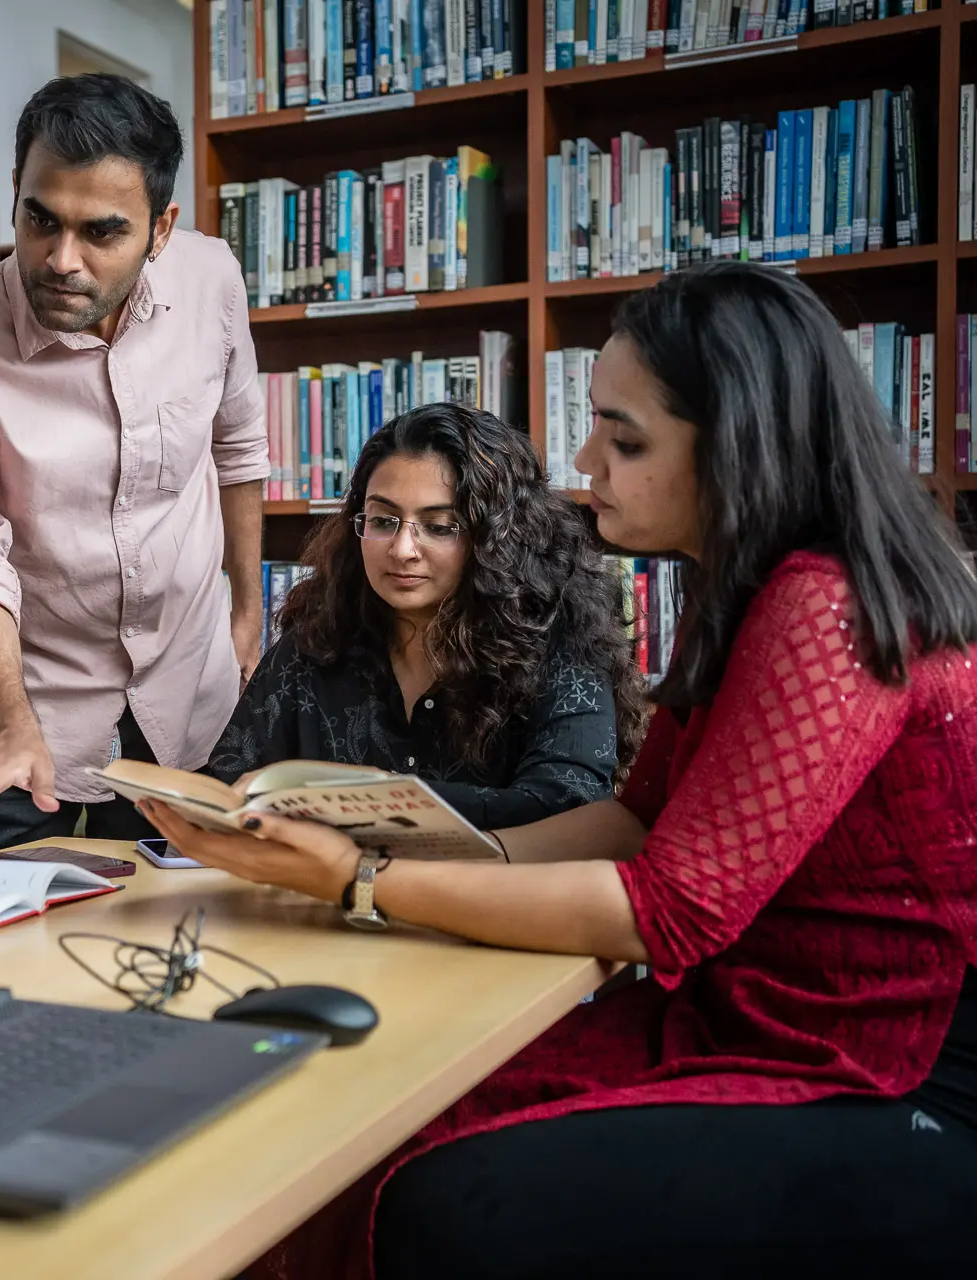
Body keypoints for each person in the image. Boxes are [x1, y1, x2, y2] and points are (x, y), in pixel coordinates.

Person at [143, 262, 977, 1277]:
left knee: (416, 1184)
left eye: (625, 440)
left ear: (737, 444)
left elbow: (669, 910)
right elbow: (633, 821)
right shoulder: (746, 589)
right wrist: (424, 862)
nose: (586, 462)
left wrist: (361, 879)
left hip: (876, 1062)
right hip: (754, 1011)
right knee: (362, 1111)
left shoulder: (820, 605)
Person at [0, 73, 268, 855]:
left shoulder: (212, 281)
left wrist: (245, 613)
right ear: (16, 191)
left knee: (190, 918)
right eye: (40, 219)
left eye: (102, 233)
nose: (61, 260)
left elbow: (237, 447)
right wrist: (9, 726)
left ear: (160, 230)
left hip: (187, 697)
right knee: (1, 920)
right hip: (24, 713)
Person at [210, 402, 640, 830]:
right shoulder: (319, 637)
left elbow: (570, 803)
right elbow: (227, 789)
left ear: (497, 539)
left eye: (439, 527)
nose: (401, 550)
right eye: (383, 520)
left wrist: (367, 796)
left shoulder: (559, 637)